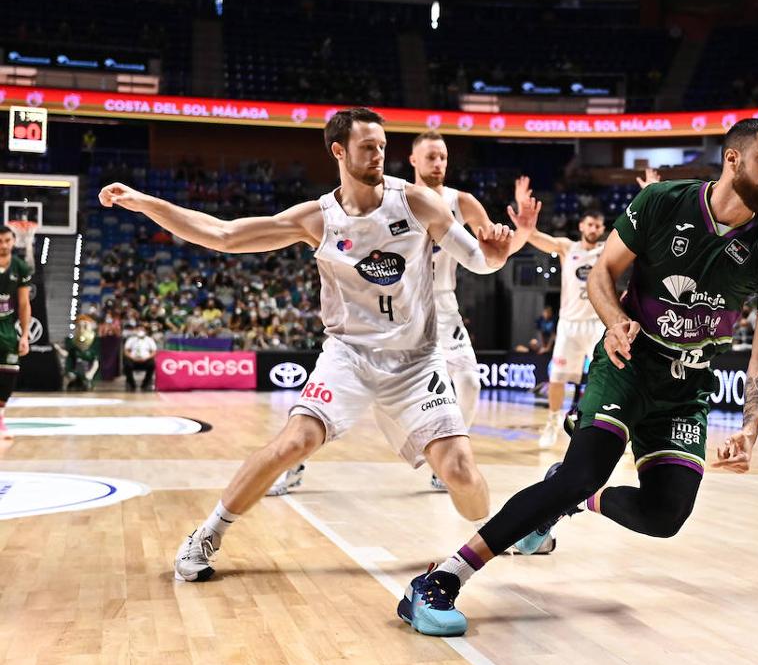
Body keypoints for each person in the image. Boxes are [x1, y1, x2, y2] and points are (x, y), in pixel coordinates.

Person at [98, 107, 539, 582]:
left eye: (383, 146)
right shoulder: (317, 218)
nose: (378, 155)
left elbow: (480, 261)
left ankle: (500, 533)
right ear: (338, 150)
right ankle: (206, 534)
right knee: (293, 442)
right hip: (349, 356)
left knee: (460, 470)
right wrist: (146, 203)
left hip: (415, 362)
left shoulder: (417, 202)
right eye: (368, 146)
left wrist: (501, 251)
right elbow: (223, 235)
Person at [396, 118, 758, 637]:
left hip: (687, 388)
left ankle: (573, 500)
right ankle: (439, 581)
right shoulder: (661, 202)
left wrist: (748, 430)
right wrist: (614, 323)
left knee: (665, 516)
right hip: (628, 362)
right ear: (733, 159)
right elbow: (601, 273)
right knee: (583, 470)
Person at [409, 131, 503, 489]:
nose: (439, 164)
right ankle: (296, 459)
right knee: (358, 392)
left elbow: (493, 253)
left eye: (444, 157)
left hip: (443, 304)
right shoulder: (398, 197)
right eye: (431, 156)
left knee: (468, 381)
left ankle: (448, 462)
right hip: (403, 306)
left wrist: (521, 231)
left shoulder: (460, 201)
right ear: (414, 160)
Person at [514, 176, 607, 449]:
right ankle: (553, 422)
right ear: (581, 226)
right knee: (556, 379)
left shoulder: (606, 249)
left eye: (598, 225)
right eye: (589, 224)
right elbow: (534, 237)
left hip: (596, 322)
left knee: (607, 379)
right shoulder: (568, 248)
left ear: (602, 228)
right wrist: (522, 208)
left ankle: (604, 430)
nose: (593, 228)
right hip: (569, 323)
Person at [0, 225, 32, 438]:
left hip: (6, 328)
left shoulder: (20, 266)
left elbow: (23, 304)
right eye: (0, 241)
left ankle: (0, 418)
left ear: (13, 241)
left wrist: (25, 335)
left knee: (8, 373)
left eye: (7, 241)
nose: (3, 245)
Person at [122, 324, 158, 391]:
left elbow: (154, 351)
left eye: (142, 330)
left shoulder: (149, 340)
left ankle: (145, 384)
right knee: (127, 364)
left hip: (145, 360)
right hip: (133, 359)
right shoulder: (131, 339)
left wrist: (146, 358)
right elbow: (126, 350)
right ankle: (132, 384)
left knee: (152, 364)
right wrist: (132, 357)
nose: (140, 331)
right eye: (138, 329)